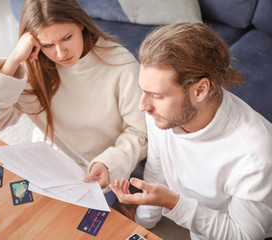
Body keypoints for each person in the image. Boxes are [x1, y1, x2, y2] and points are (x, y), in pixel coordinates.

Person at [0, 0, 147, 205]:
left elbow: (141, 132)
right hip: (51, 162)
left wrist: (109, 164)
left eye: (67, 37)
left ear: (80, 24)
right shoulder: (32, 67)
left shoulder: (121, 65)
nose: (61, 53)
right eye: (48, 45)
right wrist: (14, 61)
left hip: (102, 165)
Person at [110, 22, 272, 239]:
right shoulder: (162, 114)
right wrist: (144, 220)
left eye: (157, 95)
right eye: (143, 91)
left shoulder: (256, 156)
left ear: (200, 90)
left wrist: (173, 203)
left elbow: (243, 235)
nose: (143, 106)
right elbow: (157, 171)